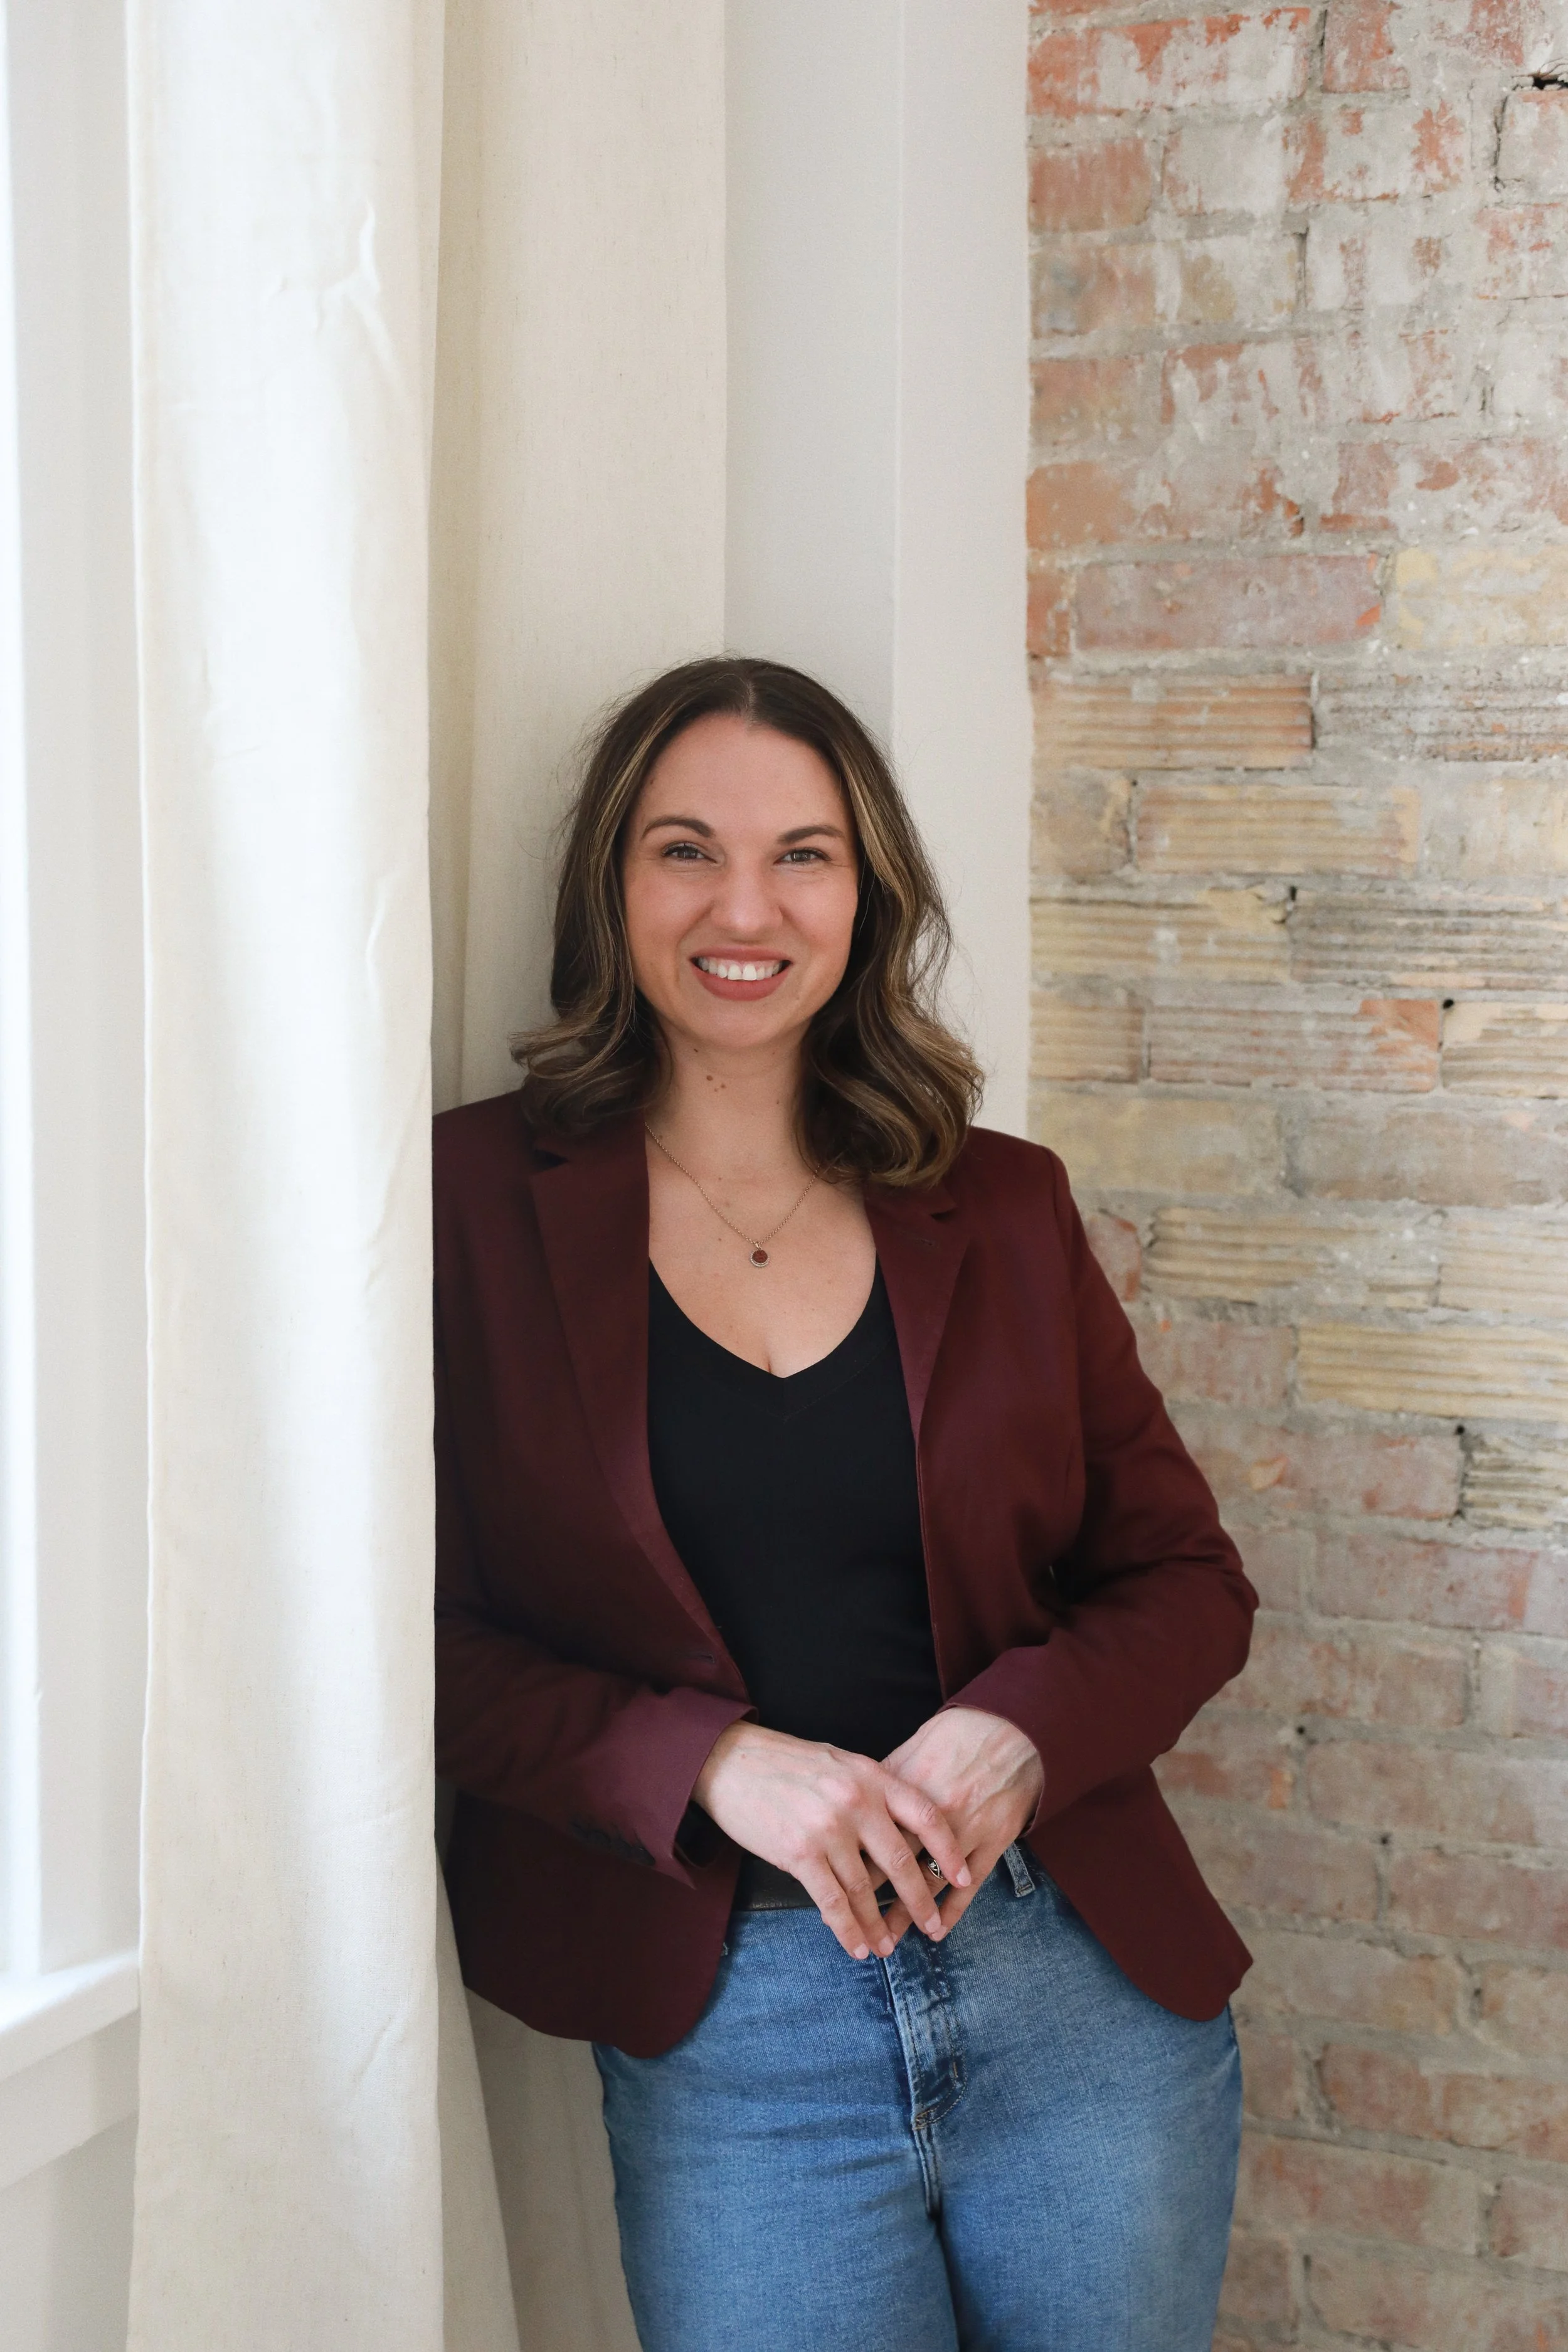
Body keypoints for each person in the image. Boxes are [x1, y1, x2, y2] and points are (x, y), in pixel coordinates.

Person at [433, 655, 1255, 2352]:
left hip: (1077, 1986)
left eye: (804, 852)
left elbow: (1183, 1577)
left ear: (867, 893)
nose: (748, 905)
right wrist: (712, 1762)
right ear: (612, 881)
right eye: (686, 849)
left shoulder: (1002, 1202)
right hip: (731, 2014)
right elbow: (406, 1645)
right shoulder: (466, 1204)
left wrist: (1018, 1732)